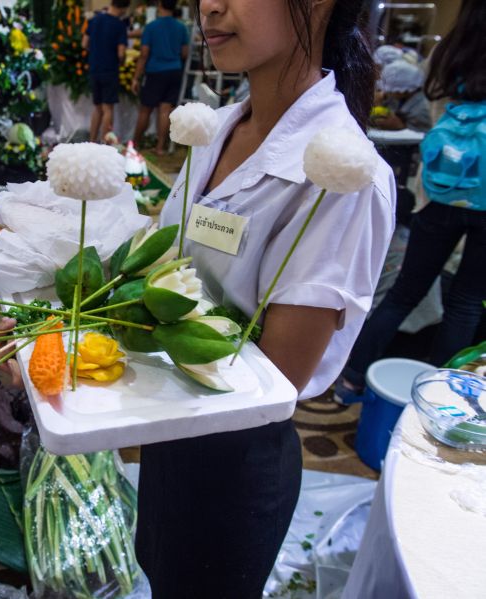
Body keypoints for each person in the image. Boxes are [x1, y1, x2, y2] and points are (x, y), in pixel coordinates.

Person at [143, 0, 394, 595]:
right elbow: (162, 259)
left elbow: (277, 373)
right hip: (166, 434)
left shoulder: (344, 176)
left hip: (232, 468)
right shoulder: (218, 127)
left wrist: (145, 323)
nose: (210, 6)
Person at [339, 0, 485, 399]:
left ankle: (351, 377)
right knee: (467, 303)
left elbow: (433, 110)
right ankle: (442, 396)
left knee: (405, 290)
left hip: (438, 191)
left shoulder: (448, 51)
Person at [131, 0, 189, 154]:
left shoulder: (151, 27)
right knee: (165, 110)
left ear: (159, 6)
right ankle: (160, 147)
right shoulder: (181, 27)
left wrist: (136, 77)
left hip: (155, 71)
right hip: (175, 70)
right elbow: (185, 53)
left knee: (145, 110)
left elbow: (144, 54)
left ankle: (134, 144)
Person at [83, 0, 129, 143]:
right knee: (107, 109)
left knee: (97, 108)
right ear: (123, 8)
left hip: (95, 68)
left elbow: (84, 43)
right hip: (109, 70)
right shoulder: (119, 25)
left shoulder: (94, 20)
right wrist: (121, 60)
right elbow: (121, 53)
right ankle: (105, 143)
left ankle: (92, 140)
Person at [371, 59, 430, 132]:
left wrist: (401, 126)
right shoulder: (402, 97)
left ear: (402, 91)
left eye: (390, 90)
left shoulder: (421, 111)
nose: (385, 92)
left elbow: (417, 136)